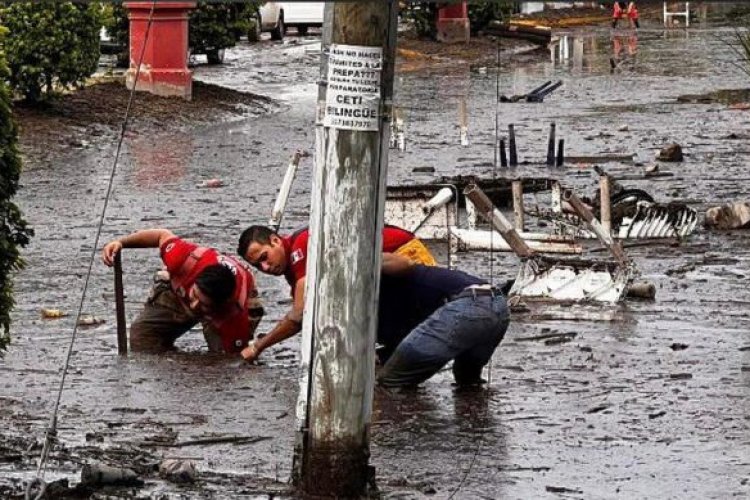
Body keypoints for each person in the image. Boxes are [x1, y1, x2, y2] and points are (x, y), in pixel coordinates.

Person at [236, 224, 436, 362]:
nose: (265, 267)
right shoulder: (293, 262)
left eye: (265, 257)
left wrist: (258, 347)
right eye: (258, 265)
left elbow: (299, 316)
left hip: (406, 258)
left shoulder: (301, 248)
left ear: (275, 241)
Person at [101, 228, 263, 354]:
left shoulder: (234, 317)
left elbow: (237, 362)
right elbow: (161, 235)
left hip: (235, 303)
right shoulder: (182, 259)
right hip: (183, 286)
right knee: (142, 337)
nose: (194, 306)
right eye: (195, 296)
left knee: (224, 361)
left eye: (204, 305)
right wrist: (121, 243)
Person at [376, 253, 510, 387]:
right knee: (468, 382)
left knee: (390, 380)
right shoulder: (401, 293)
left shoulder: (385, 293)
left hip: (468, 305)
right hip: (499, 305)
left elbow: (405, 263)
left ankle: (402, 407)